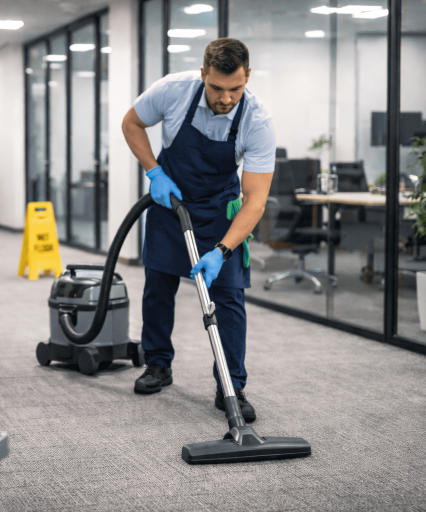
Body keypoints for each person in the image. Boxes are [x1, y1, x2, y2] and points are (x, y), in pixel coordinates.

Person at [121, 38, 275, 421]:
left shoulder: (257, 120)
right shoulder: (173, 90)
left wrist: (221, 250)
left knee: (229, 297)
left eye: (235, 89)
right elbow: (132, 123)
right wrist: (154, 172)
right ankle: (157, 364)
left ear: (248, 77)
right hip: (169, 202)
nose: (226, 98)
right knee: (158, 285)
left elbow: (255, 199)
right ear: (204, 73)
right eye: (217, 88)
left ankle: (231, 387)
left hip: (221, 211)